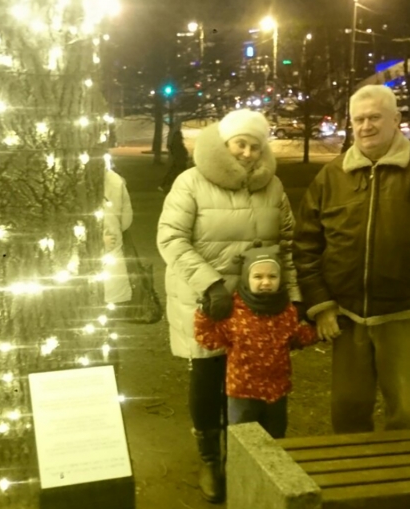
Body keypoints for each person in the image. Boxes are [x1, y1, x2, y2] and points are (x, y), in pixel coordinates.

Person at [293, 84, 410, 434]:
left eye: (375, 117)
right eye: (359, 119)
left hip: (404, 312)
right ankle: (354, 468)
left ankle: (402, 469)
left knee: (404, 415)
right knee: (347, 412)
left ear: (396, 120)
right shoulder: (331, 176)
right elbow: (305, 245)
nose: (366, 126)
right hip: (347, 316)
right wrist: (321, 305)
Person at [156, 109, 301, 503]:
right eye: (240, 144)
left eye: (255, 146)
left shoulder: (273, 187)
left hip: (257, 308)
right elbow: (170, 238)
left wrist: (294, 298)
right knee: (207, 378)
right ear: (224, 144)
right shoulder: (191, 182)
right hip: (207, 301)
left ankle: (245, 457)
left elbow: (287, 245)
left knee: (250, 385)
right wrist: (210, 284)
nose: (248, 153)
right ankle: (210, 459)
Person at [193, 243, 319, 439]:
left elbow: (298, 336)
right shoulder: (234, 312)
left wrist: (319, 329)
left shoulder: (286, 311)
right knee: (243, 440)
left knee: (275, 438)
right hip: (242, 392)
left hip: (276, 392)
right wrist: (204, 314)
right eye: (258, 277)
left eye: (272, 277)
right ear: (246, 278)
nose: (266, 282)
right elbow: (209, 339)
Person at [102, 167, 133, 365]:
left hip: (85, 268)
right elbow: (126, 221)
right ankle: (111, 373)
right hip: (112, 265)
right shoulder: (114, 179)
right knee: (108, 328)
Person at [160, 119, 190, 194]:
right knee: (176, 173)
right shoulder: (177, 137)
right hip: (179, 160)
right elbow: (179, 148)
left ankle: (164, 185)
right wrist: (183, 155)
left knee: (173, 173)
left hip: (178, 159)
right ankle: (166, 186)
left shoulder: (174, 137)